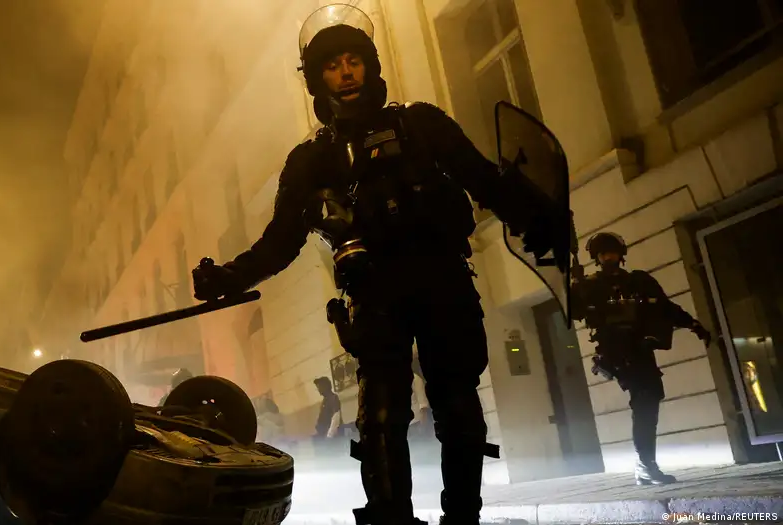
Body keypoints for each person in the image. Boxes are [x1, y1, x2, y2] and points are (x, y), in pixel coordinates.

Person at [190, 5, 569, 525]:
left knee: (458, 409)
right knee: (382, 418)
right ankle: (391, 519)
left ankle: (464, 517)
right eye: (332, 65)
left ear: (369, 65)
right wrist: (228, 276)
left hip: (443, 281)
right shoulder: (310, 160)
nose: (345, 73)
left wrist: (535, 215)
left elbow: (482, 178)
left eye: (353, 61)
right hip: (374, 295)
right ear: (317, 79)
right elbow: (281, 241)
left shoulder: (422, 123)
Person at [570, 232, 711, 485]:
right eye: (603, 254)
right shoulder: (589, 286)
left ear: (621, 255)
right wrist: (574, 286)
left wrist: (692, 323)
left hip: (641, 349)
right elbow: (572, 313)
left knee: (651, 399)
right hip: (616, 352)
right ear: (596, 258)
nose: (608, 257)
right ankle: (645, 464)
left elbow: (664, 307)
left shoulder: (639, 281)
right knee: (645, 399)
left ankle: (644, 463)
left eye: (612, 252)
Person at [313, 376, 345, 454]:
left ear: (325, 386)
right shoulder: (325, 400)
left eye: (319, 387)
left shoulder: (333, 398)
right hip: (325, 437)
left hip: (333, 439)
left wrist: (329, 436)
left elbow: (336, 418)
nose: (318, 390)